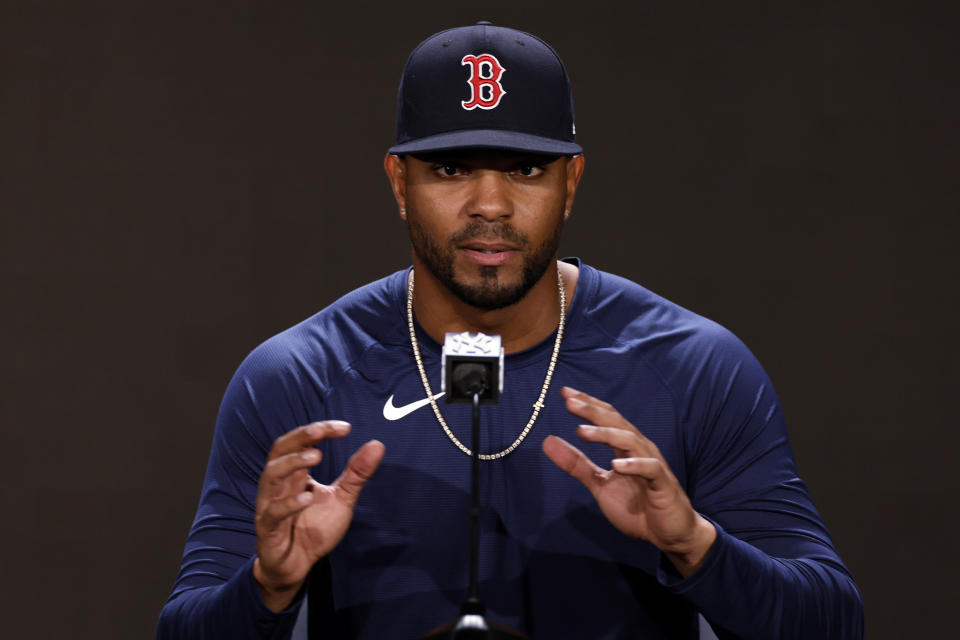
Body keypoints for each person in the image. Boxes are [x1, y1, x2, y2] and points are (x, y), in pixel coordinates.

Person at [157, 22, 863, 640]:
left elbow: (833, 623)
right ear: (399, 183)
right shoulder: (297, 377)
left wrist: (696, 546)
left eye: (526, 168)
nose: (489, 205)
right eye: (451, 168)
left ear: (573, 180)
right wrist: (267, 588)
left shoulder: (693, 366)